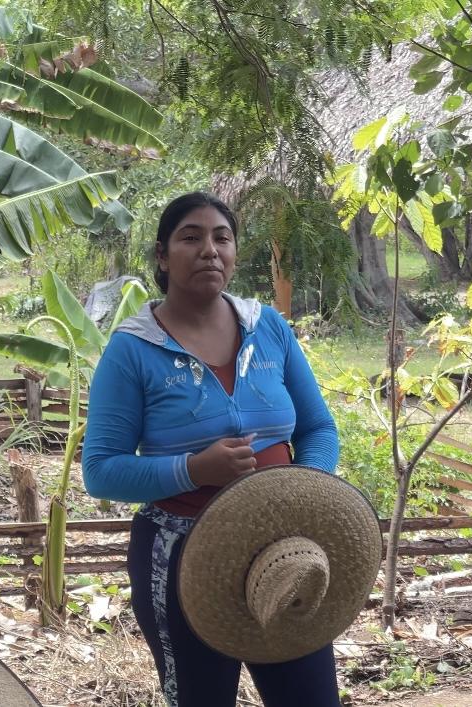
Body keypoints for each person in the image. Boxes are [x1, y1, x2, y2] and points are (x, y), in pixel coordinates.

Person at [82, 192, 342, 706]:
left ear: (235, 253)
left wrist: (302, 492)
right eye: (191, 238)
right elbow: (101, 470)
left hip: (283, 550)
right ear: (162, 256)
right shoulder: (133, 348)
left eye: (222, 237)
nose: (209, 250)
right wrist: (194, 469)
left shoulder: (267, 328)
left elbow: (319, 429)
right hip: (184, 559)